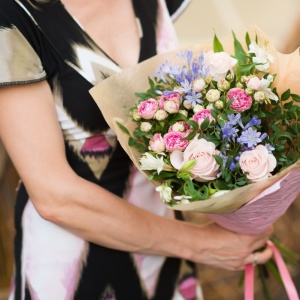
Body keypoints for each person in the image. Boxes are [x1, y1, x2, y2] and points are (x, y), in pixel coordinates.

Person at [0, 0, 273, 299]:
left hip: (166, 259)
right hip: (76, 273)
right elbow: (55, 197)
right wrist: (201, 244)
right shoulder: (11, 18)